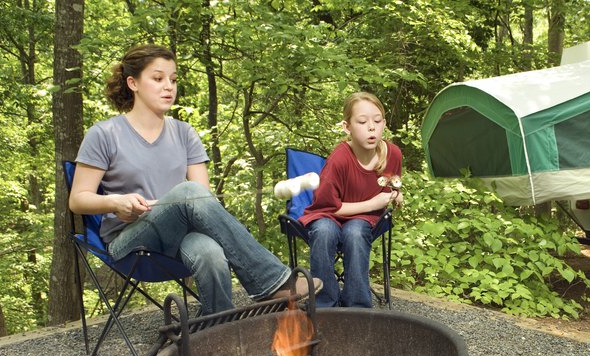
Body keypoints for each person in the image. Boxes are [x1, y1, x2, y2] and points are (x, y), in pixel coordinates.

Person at [69, 44, 319, 315]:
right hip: (131, 241)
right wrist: (117, 203)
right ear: (133, 83)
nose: (168, 87)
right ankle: (273, 282)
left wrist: (182, 203)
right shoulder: (104, 134)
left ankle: (216, 330)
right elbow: (78, 200)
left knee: (209, 252)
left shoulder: (185, 133)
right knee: (188, 191)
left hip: (180, 234)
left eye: (173, 80)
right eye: (158, 78)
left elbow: (203, 200)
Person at [298, 92, 403, 308]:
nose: (371, 127)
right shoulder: (339, 159)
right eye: (363, 122)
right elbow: (328, 207)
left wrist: (396, 194)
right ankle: (325, 303)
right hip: (330, 214)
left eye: (377, 120)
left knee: (355, 233)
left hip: (364, 220)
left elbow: (392, 182)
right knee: (324, 232)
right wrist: (373, 203)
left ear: (384, 123)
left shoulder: (393, 154)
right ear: (348, 127)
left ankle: (357, 307)